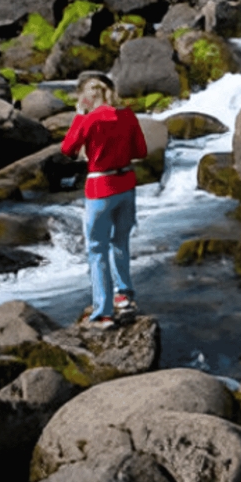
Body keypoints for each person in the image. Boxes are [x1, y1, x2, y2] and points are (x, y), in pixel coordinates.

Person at [59, 71, 148, 329]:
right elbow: (141, 151)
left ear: (86, 98)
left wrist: (79, 116)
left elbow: (68, 149)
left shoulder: (89, 120)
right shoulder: (127, 115)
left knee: (97, 250)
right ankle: (124, 296)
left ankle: (104, 312)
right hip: (126, 185)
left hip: (100, 188)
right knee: (120, 242)